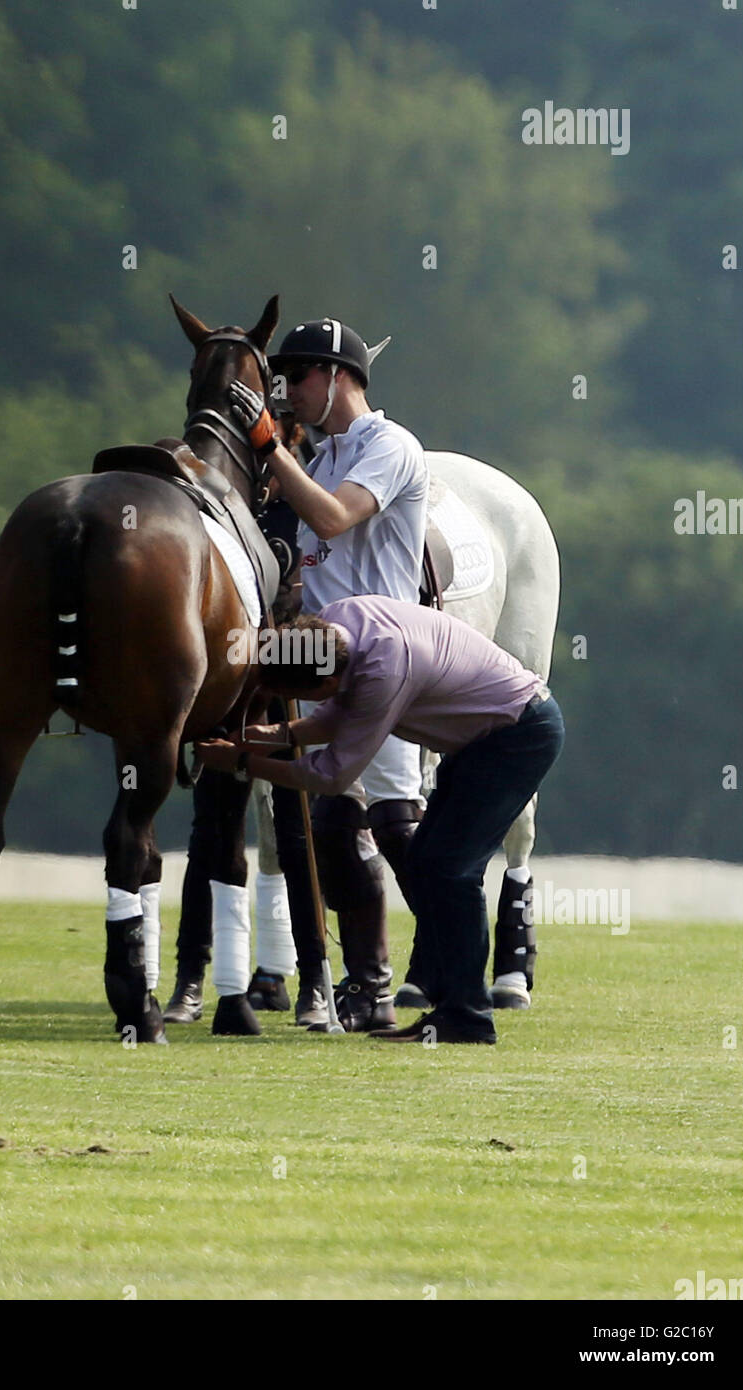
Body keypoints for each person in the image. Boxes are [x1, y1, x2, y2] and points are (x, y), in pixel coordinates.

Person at [196, 598, 564, 1043]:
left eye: (303, 698)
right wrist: (279, 735)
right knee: (430, 862)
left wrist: (241, 762)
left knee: (450, 869)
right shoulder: (334, 627)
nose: (305, 705)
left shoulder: (384, 669)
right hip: (489, 735)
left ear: (326, 679)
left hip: (517, 734)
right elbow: (336, 710)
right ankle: (455, 1005)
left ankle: (467, 1015)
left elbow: (331, 775)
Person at [225, 318, 429, 1033]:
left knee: (397, 825)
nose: (288, 392)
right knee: (334, 827)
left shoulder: (388, 445)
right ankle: (369, 987)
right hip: (325, 661)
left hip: (388, 652)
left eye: (300, 377)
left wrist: (270, 448)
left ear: (339, 376)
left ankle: (451, 964)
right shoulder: (322, 452)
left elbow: (338, 518)